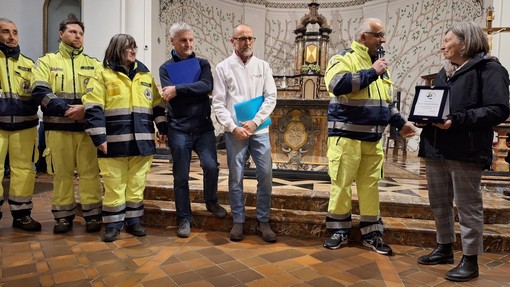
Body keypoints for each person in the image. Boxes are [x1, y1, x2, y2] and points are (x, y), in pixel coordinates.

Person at [415, 21, 509, 282]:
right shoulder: (444, 73)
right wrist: (424, 117)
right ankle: (444, 247)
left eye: (447, 40)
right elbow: (439, 106)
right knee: (439, 203)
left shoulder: (490, 70)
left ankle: (470, 260)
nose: (442, 45)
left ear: (465, 43)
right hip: (436, 147)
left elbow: (498, 109)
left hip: (465, 149)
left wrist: (456, 119)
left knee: (468, 207)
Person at [322, 18, 416, 255]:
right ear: (364, 37)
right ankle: (339, 230)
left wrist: (400, 124)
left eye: (383, 35)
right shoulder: (343, 59)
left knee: (370, 187)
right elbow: (336, 84)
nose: (383, 40)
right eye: (378, 35)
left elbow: (386, 102)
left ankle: (372, 233)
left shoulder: (382, 67)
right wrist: (371, 72)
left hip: (373, 141)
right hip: (346, 138)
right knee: (341, 185)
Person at [83, 34, 168, 242]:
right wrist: (99, 137)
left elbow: (157, 105)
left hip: (142, 142)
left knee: (137, 184)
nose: (133, 51)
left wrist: (163, 127)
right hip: (113, 142)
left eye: (134, 47)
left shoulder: (145, 76)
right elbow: (93, 108)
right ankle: (113, 224)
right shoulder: (102, 75)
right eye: (128, 47)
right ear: (116, 49)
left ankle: (134, 221)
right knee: (114, 185)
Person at [31, 16, 102, 234]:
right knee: (61, 175)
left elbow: (100, 93)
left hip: (86, 130)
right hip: (57, 129)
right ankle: (63, 218)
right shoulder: (46, 62)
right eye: (72, 32)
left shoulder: (95, 63)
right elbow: (39, 91)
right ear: (61, 34)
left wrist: (85, 109)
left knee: (90, 174)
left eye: (80, 33)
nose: (77, 36)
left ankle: (92, 215)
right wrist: (66, 109)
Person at [159, 22, 227, 238]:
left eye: (190, 40)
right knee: (181, 177)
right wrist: (190, 90)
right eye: (183, 40)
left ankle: (211, 202)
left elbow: (207, 86)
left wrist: (179, 89)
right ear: (172, 41)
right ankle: (184, 218)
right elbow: (171, 97)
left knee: (212, 167)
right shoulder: (165, 68)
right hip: (178, 128)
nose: (188, 44)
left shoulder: (202, 63)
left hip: (203, 128)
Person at [212, 24, 277, 243]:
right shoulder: (223, 68)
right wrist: (233, 127)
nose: (247, 42)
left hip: (259, 130)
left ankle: (263, 220)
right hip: (235, 132)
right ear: (233, 41)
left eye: (250, 38)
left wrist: (255, 121)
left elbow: (271, 97)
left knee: (265, 175)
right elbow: (219, 103)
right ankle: (238, 220)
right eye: (242, 39)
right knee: (235, 176)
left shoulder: (263, 66)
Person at [0, 18, 42, 231]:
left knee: (24, 171)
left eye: (14, 32)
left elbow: (39, 92)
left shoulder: (28, 64)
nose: (11, 36)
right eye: (5, 32)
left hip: (25, 126)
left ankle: (22, 215)